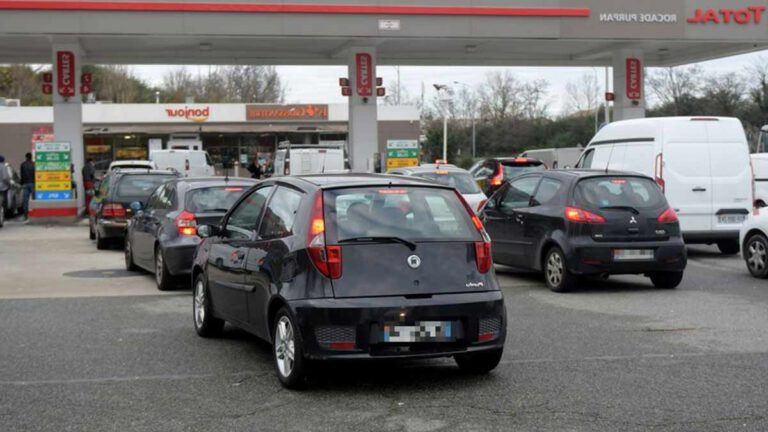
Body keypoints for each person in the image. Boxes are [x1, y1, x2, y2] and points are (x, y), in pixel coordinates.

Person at [20, 152, 35, 222]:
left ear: (26, 157)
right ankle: (34, 213)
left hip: (25, 184)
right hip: (33, 183)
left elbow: (22, 175)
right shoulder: (34, 164)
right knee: (34, 199)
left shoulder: (23, 164)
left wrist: (21, 183)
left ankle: (25, 215)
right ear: (31, 157)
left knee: (25, 200)